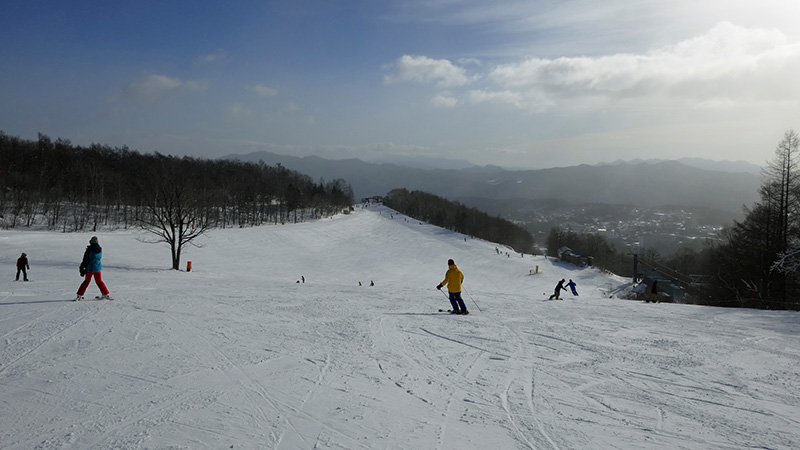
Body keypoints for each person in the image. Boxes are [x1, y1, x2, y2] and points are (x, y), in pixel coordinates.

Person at [76, 236, 111, 301]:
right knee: (99, 281)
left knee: (86, 281)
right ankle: (105, 294)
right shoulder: (99, 249)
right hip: (97, 268)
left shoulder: (89, 249)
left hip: (90, 268)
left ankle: (79, 295)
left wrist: (82, 268)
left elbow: (86, 259)